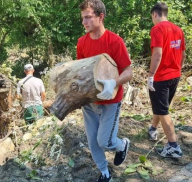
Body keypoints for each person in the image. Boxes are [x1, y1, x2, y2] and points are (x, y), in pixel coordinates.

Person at [77, 0, 133, 181]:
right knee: (93, 142)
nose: (84, 22)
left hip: (111, 101)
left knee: (105, 141)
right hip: (89, 102)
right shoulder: (82, 43)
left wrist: (114, 83)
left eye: (88, 17)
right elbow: (82, 71)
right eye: (82, 18)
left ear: (101, 17)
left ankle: (122, 145)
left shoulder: (115, 41)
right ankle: (104, 172)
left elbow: (129, 72)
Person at [147, 2, 186, 158]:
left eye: (152, 17)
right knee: (161, 106)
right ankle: (152, 128)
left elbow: (157, 54)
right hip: (175, 75)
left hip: (161, 77)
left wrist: (151, 74)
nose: (152, 20)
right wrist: (178, 70)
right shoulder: (178, 29)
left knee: (163, 110)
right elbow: (183, 54)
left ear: (155, 14)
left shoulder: (157, 29)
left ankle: (173, 145)